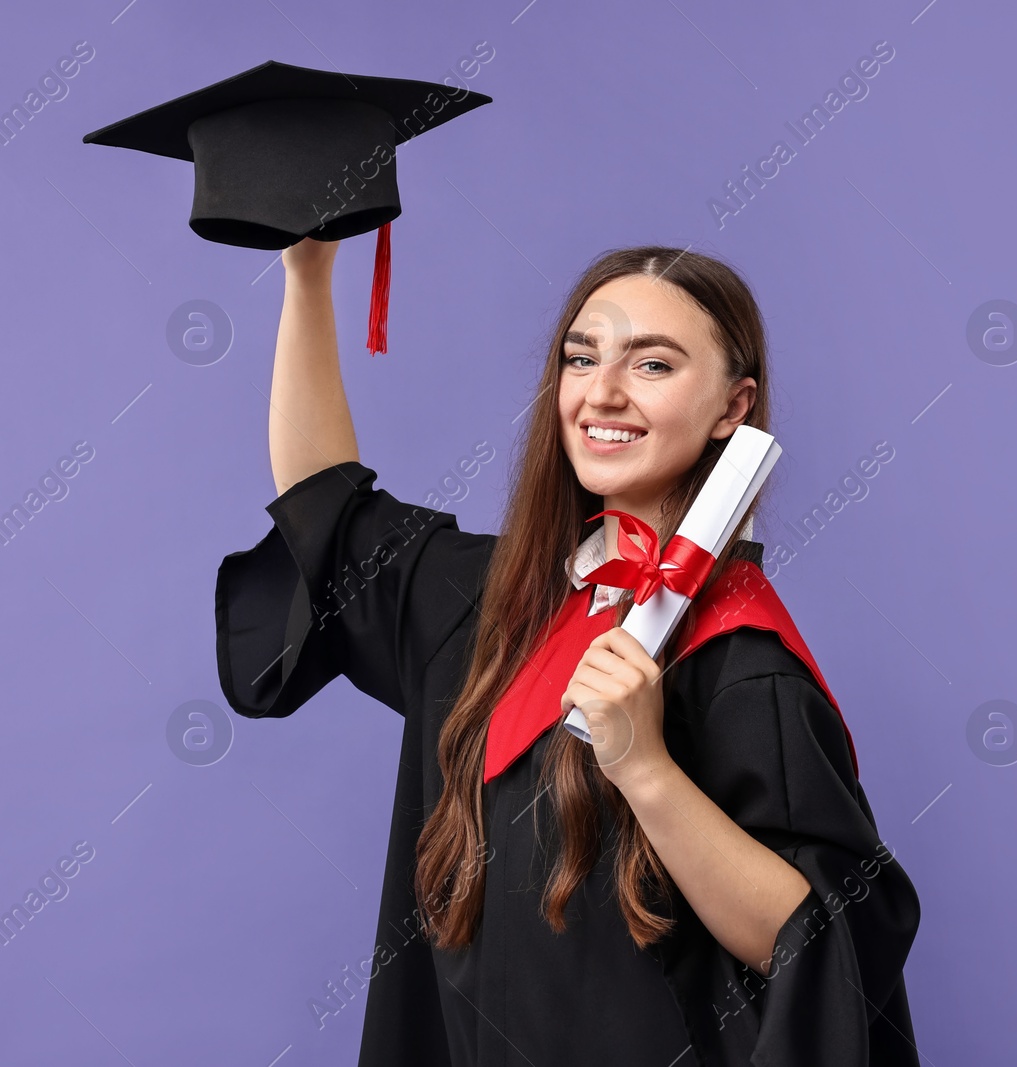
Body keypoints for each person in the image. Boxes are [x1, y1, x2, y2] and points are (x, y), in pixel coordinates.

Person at [214, 238, 922, 1066]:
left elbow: (819, 944)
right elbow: (326, 511)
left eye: (653, 365)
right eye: (580, 358)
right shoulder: (487, 601)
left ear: (735, 407)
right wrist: (310, 273)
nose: (603, 392)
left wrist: (647, 767)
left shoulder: (740, 660)